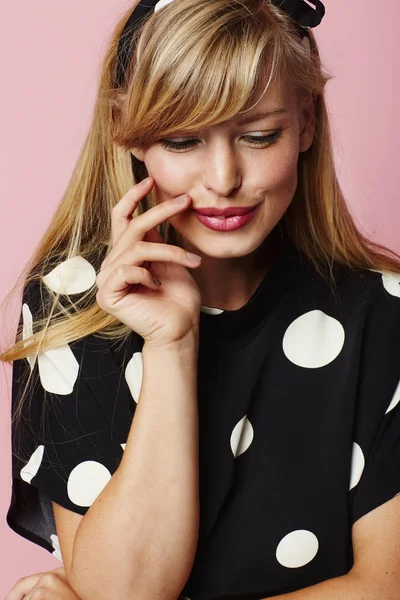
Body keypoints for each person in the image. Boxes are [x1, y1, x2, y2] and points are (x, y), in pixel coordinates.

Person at [3, 0, 400, 599]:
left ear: (308, 123)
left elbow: (384, 587)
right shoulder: (71, 303)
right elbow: (126, 592)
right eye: (183, 141)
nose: (222, 178)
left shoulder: (385, 314)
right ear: (128, 135)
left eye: (259, 135)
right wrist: (173, 343)